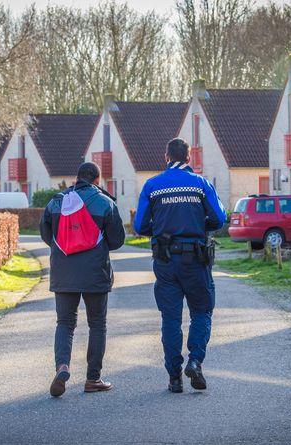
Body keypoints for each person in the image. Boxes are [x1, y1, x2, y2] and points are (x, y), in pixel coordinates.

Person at [133, 138, 226, 393]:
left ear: (166, 157)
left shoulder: (152, 186)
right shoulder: (200, 184)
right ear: (189, 158)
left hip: (164, 259)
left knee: (170, 318)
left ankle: (174, 377)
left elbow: (140, 226)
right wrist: (198, 224)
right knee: (201, 311)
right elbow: (219, 218)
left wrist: (161, 229)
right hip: (195, 259)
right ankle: (195, 361)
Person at [40, 162, 125, 397]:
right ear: (97, 180)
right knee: (97, 324)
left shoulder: (57, 201)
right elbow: (117, 241)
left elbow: (46, 233)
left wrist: (65, 251)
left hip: (63, 272)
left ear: (76, 178)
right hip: (95, 273)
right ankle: (93, 379)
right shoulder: (105, 202)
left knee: (65, 323)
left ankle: (62, 367)